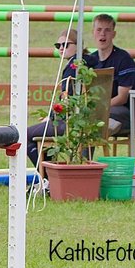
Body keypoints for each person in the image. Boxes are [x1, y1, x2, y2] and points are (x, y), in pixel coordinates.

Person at [25, 29, 82, 166]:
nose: (61, 48)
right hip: (83, 120)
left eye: (66, 45)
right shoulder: (88, 61)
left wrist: (51, 117)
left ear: (78, 45)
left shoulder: (74, 67)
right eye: (58, 46)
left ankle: (47, 178)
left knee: (25, 135)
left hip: (71, 122)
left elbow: (68, 101)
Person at [81, 13, 135, 135]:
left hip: (128, 112)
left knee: (94, 119)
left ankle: (90, 149)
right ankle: (84, 153)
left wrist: (98, 109)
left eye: (107, 30)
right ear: (93, 33)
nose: (102, 34)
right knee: (82, 119)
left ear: (113, 34)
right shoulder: (91, 60)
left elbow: (122, 98)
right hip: (101, 110)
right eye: (99, 30)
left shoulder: (123, 59)